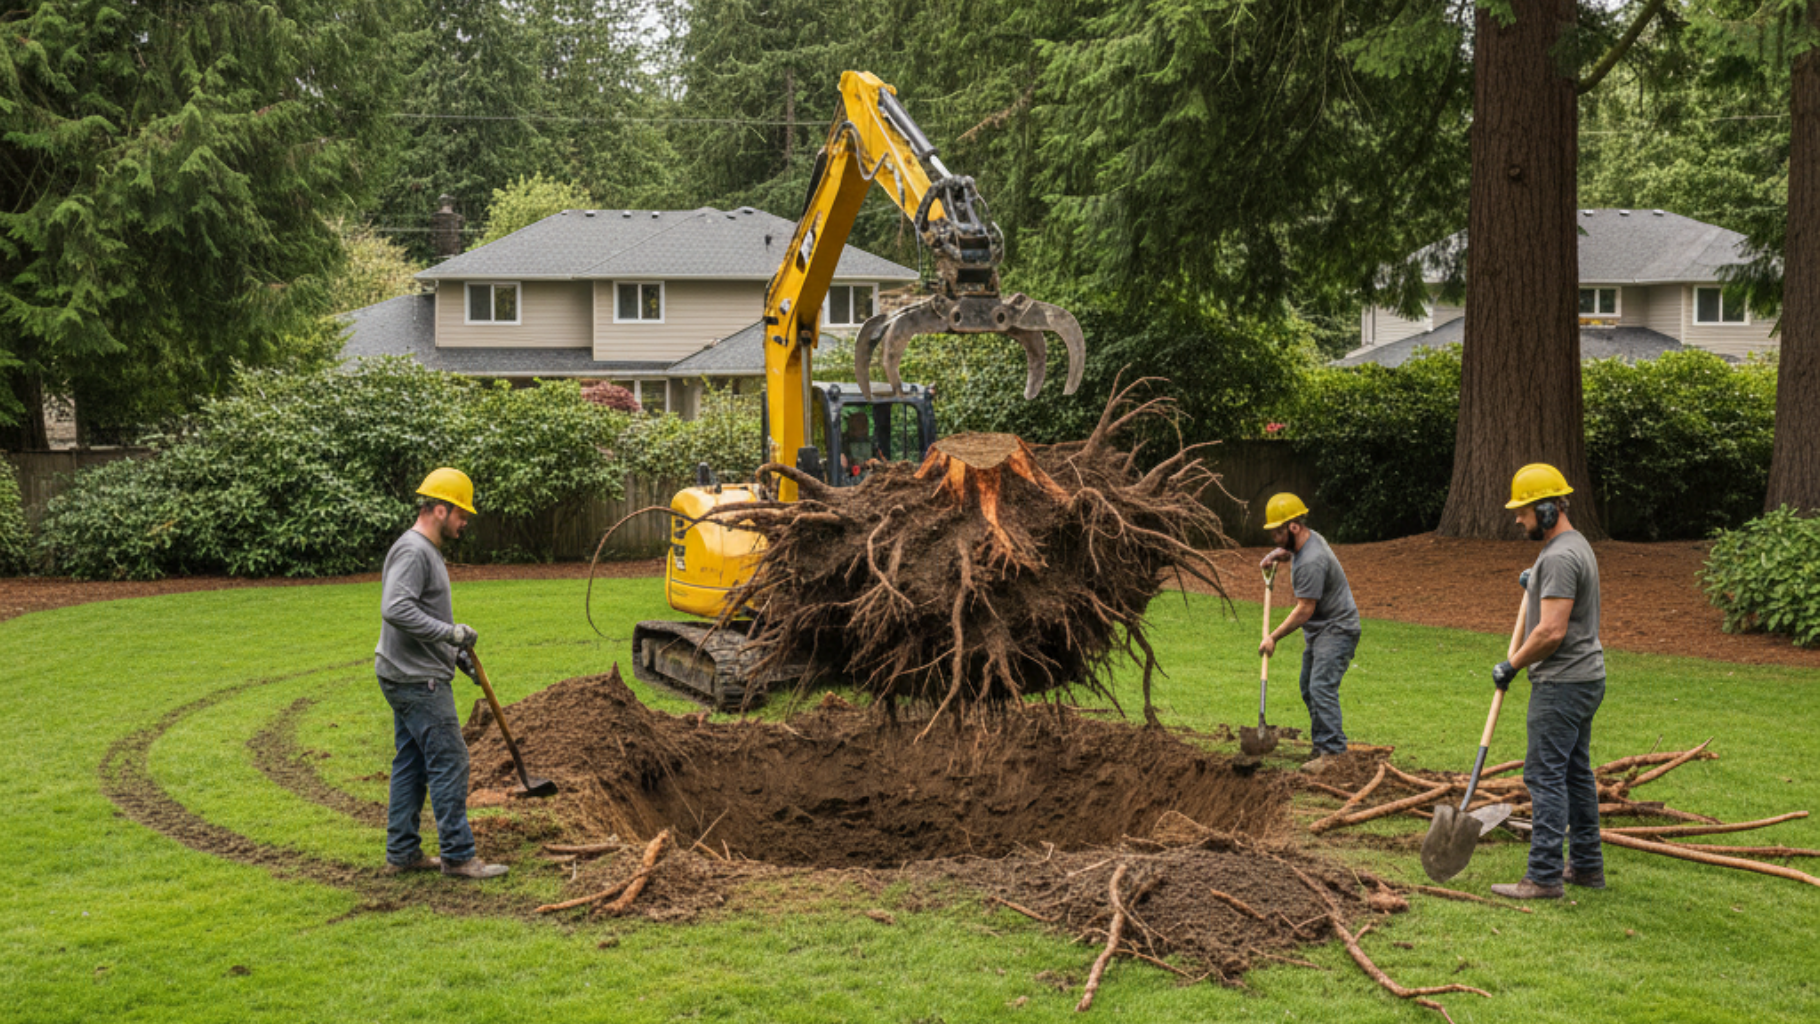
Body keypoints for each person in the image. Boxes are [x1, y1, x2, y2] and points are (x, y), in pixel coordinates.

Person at [374, 468, 507, 880]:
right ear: (438, 509)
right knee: (450, 760)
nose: (466, 521)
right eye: (461, 513)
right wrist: (448, 633)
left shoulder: (424, 550)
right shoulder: (415, 551)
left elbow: (421, 614)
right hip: (417, 680)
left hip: (411, 670)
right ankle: (458, 855)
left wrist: (453, 653)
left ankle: (402, 853)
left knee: (412, 763)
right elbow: (396, 608)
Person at [1488, 463, 1605, 900]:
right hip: (1587, 678)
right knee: (1576, 774)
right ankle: (1588, 867)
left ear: (1548, 510)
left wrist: (1512, 664)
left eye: (1523, 512)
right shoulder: (1574, 546)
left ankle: (1543, 877)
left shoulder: (1558, 556)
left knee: (1545, 777)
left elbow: (1551, 631)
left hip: (1561, 683)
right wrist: (1535, 581)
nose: (1518, 520)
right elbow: (1562, 598)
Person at [1257, 493, 1361, 773]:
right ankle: (1322, 744)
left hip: (1337, 628)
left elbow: (1304, 609)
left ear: (1294, 527)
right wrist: (1279, 554)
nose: (1275, 538)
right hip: (1322, 629)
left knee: (1320, 687)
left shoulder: (1311, 561)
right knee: (1308, 686)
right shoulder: (1307, 542)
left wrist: (1273, 637)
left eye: (1279, 533)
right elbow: (1294, 551)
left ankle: (1333, 753)